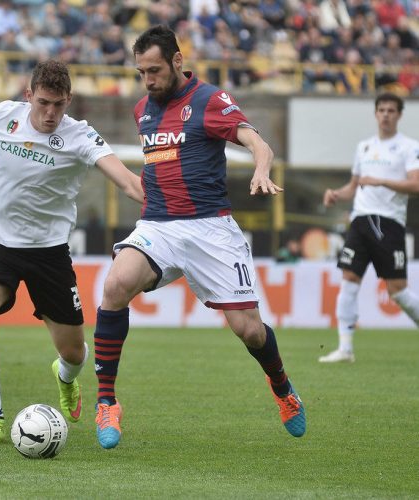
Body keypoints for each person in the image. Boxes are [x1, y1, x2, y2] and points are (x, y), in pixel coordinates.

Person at [91, 25, 306, 450]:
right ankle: (107, 402)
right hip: (159, 225)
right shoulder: (143, 110)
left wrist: (261, 169)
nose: (148, 80)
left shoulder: (210, 100)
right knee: (114, 285)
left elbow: (257, 143)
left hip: (211, 229)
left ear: (177, 61)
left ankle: (282, 387)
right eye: (141, 72)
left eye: (154, 70)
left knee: (249, 331)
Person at [0, 59, 143, 446]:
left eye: (59, 105)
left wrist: (166, 202)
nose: (50, 113)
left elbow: (129, 183)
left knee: (74, 353)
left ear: (69, 100)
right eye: (43, 103)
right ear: (29, 95)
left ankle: (65, 378)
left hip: (49, 254)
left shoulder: (81, 136)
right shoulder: (5, 116)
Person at [319, 93, 419, 363]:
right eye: (381, 110)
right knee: (349, 279)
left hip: (388, 223)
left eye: (391, 110)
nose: (385, 114)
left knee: (397, 290)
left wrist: (381, 181)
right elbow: (354, 186)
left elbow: (416, 184)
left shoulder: (409, 147)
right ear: (375, 114)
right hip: (360, 220)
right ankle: (345, 348)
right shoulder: (364, 147)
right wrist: (336, 194)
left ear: (399, 115)